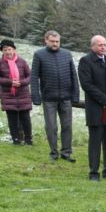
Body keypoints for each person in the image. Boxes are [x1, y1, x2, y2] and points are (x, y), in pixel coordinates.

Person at [30, 30, 79, 162]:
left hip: (66, 98)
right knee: (51, 127)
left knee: (67, 126)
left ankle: (66, 153)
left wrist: (75, 95)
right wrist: (35, 96)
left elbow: (73, 75)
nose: (55, 44)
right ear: (46, 40)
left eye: (57, 41)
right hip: (48, 98)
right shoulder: (39, 54)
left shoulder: (66, 54)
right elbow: (34, 77)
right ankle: (53, 153)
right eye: (52, 41)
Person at [78, 35, 106, 181]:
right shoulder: (86, 61)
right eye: (100, 45)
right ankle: (94, 172)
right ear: (92, 46)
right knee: (95, 141)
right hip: (96, 108)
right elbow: (87, 85)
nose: (103, 47)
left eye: (104, 45)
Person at [0, 39, 32, 145]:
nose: (8, 52)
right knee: (12, 119)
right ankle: (16, 139)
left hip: (23, 94)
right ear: (2, 51)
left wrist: (21, 83)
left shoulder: (22, 62)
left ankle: (28, 139)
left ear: (14, 50)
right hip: (8, 95)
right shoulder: (0, 63)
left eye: (9, 49)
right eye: (5, 50)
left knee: (25, 118)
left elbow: (30, 76)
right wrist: (10, 82)